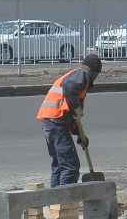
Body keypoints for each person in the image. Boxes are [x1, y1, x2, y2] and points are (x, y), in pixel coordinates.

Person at [36, 54, 103, 187]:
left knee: (59, 166)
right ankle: (64, 204)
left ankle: (55, 203)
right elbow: (70, 87)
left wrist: (80, 134)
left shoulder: (75, 74)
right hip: (56, 124)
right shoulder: (82, 75)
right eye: (97, 75)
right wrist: (76, 106)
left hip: (51, 122)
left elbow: (70, 114)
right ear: (95, 72)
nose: (96, 78)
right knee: (70, 167)